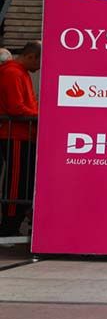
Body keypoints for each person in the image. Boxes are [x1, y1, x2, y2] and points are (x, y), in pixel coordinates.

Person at [0, 41, 39, 236]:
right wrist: (39, 115)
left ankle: (12, 224)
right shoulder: (13, 73)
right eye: (39, 62)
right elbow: (16, 108)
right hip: (15, 134)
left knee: (22, 179)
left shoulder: (20, 73)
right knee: (16, 181)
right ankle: (9, 226)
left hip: (22, 134)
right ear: (31, 56)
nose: (40, 67)